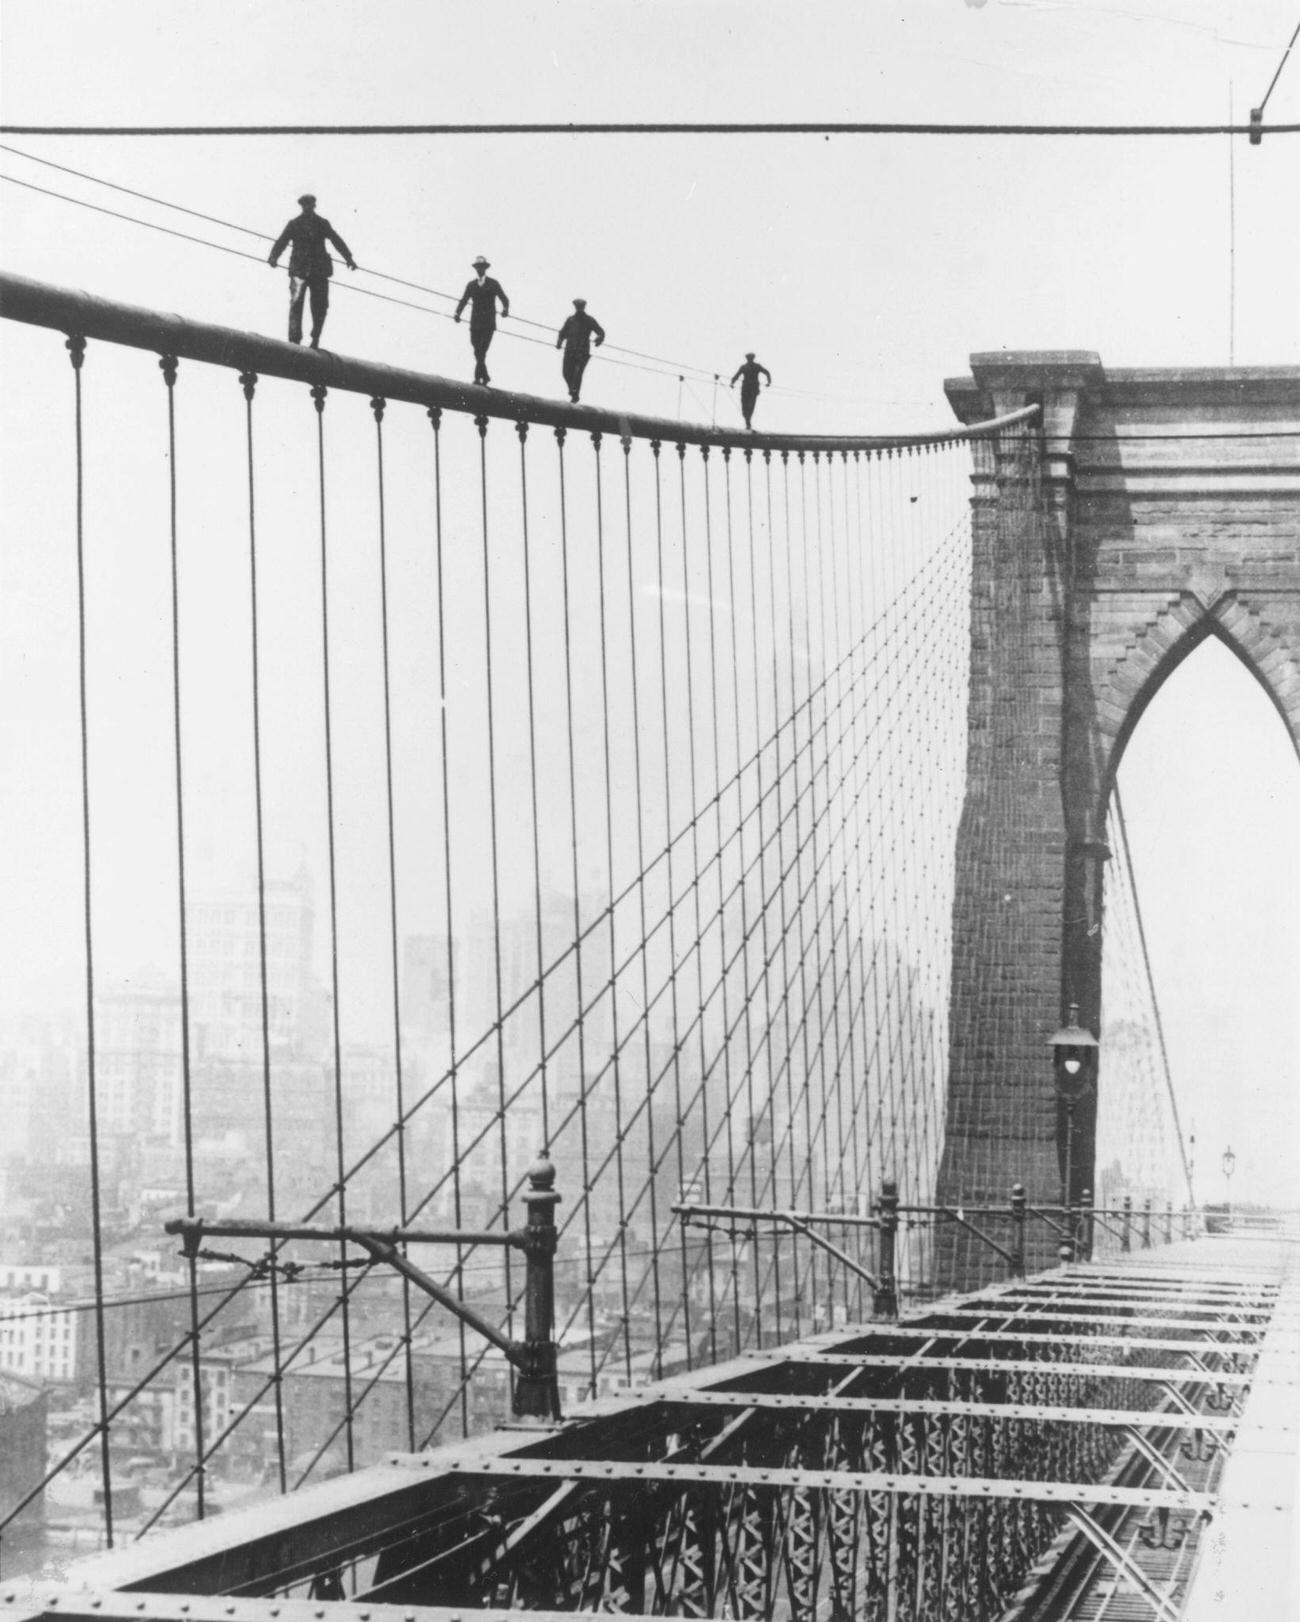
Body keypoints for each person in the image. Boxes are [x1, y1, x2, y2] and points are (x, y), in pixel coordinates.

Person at [267, 194, 356, 349]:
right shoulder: (294, 224)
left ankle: (315, 338)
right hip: (299, 269)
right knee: (296, 302)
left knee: (320, 305)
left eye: (310, 204)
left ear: (314, 205)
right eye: (304, 205)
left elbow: (336, 240)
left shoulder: (322, 223)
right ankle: (295, 340)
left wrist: (348, 258)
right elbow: (282, 241)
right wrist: (273, 256)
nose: (307, 207)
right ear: (302, 206)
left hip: (319, 271)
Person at [454, 256, 510, 385]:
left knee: (481, 350)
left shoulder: (493, 284)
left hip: (488, 323)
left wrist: (505, 309)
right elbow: (464, 300)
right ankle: (485, 376)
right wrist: (457, 313)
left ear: (485, 269)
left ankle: (478, 378)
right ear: (475, 269)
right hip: (475, 323)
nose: (479, 270)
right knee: (476, 349)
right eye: (478, 268)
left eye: (481, 268)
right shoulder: (471, 285)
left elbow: (504, 299)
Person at [555, 299, 605, 403]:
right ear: (575, 307)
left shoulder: (589, 320)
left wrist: (599, 339)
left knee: (577, 373)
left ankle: (575, 393)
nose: (579, 309)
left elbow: (600, 332)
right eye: (577, 307)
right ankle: (573, 390)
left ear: (583, 307)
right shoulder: (570, 320)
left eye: (580, 307)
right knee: (566, 372)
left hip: (582, 352)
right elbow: (562, 332)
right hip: (569, 351)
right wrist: (559, 341)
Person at [731, 352, 772, 430]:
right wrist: (732, 382)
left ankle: (748, 422)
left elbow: (767, 372)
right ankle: (747, 420)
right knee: (744, 407)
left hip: (753, 389)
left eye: (751, 358)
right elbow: (737, 375)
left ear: (753, 358)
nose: (750, 359)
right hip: (745, 389)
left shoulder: (757, 366)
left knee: (750, 406)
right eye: (749, 358)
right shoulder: (743, 367)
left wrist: (769, 382)